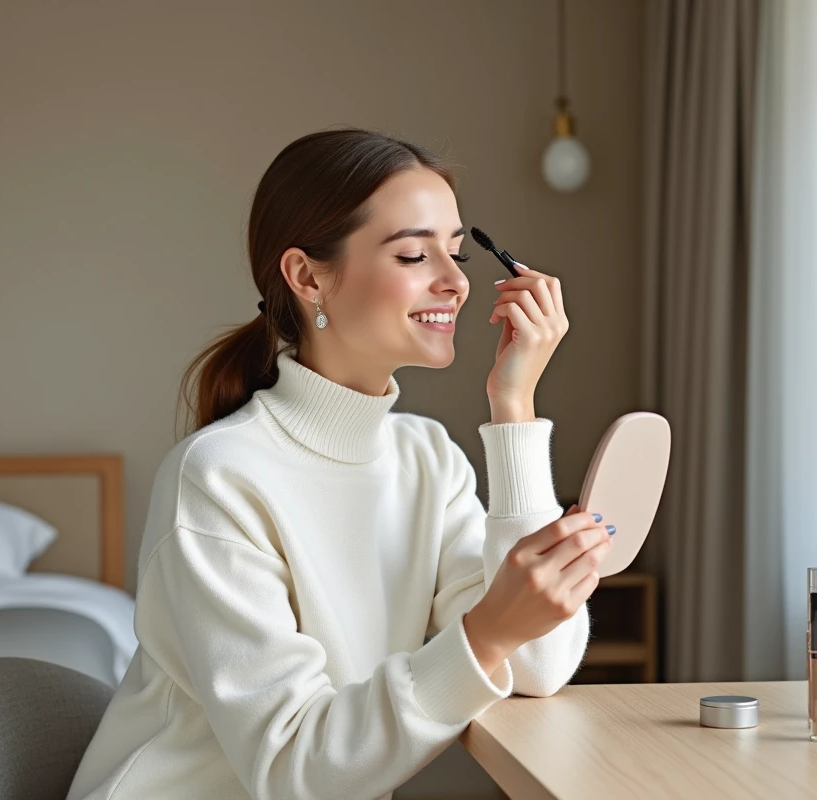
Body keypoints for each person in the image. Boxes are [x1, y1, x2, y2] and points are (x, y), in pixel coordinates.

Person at [67, 128, 613, 800]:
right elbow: (296, 767)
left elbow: (537, 665)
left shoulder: (428, 460)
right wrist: (488, 630)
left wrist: (515, 405)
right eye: (415, 254)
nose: (455, 283)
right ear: (307, 276)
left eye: (456, 253)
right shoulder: (217, 478)